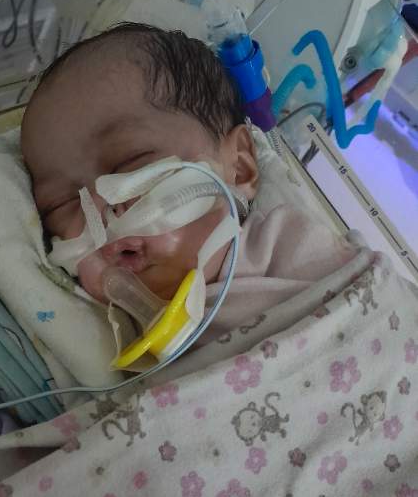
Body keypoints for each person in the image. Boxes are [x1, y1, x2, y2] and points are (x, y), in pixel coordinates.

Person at [21, 22, 355, 341]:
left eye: (132, 163)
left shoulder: (291, 250)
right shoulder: (109, 337)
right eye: (62, 205)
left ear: (238, 168)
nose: (99, 217)